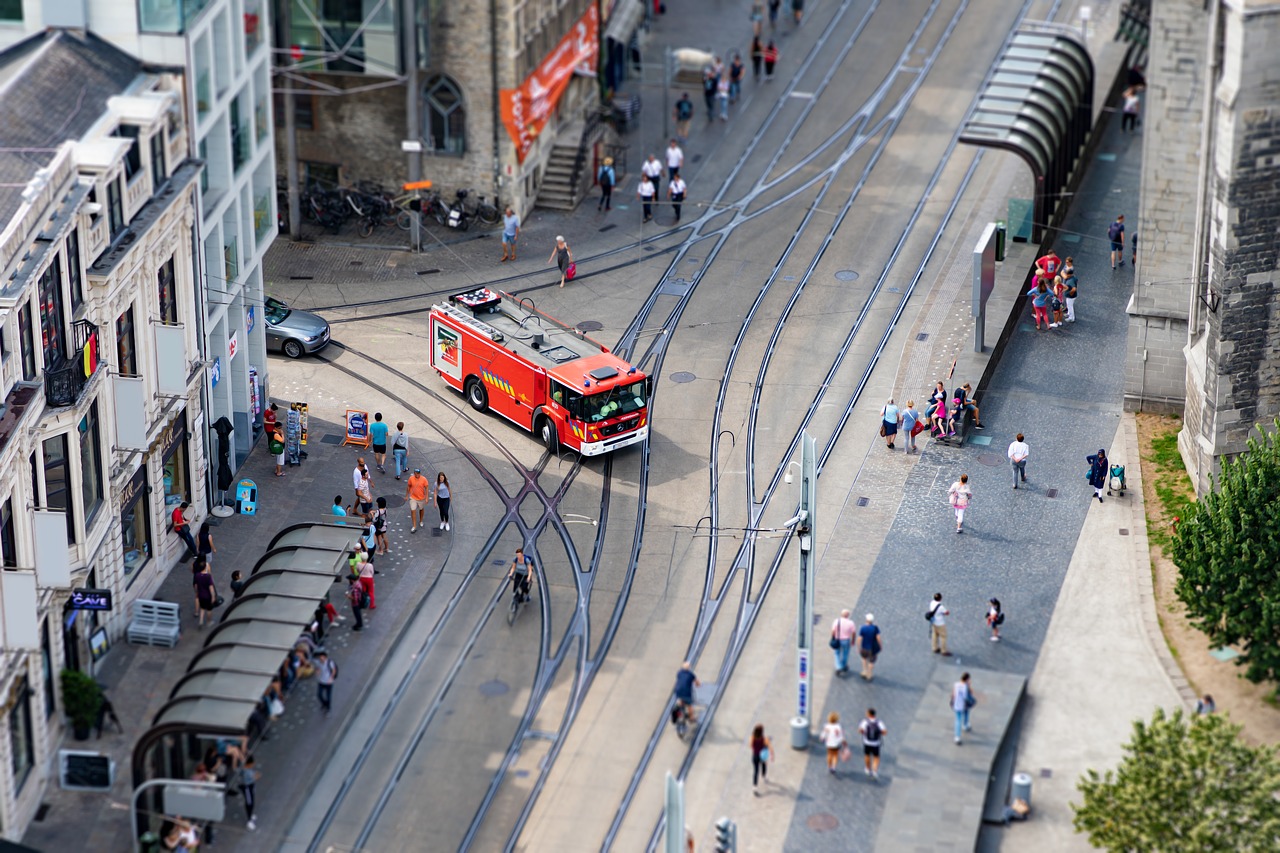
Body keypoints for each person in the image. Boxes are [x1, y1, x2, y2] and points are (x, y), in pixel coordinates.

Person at [858, 709, 886, 779]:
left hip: (867, 742)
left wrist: (864, 732)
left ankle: (867, 769)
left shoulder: (865, 721)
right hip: (876, 743)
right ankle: (874, 770)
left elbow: (860, 730)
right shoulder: (879, 722)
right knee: (876, 757)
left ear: (869, 714)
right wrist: (879, 733)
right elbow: (884, 732)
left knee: (867, 755)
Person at [830, 609, 856, 675]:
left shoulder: (836, 621)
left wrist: (833, 638)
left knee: (837, 654)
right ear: (848, 615)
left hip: (837, 640)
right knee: (845, 654)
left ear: (841, 614)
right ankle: (844, 665)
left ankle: (838, 667)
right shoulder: (851, 623)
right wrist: (853, 641)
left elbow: (833, 631)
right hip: (846, 640)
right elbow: (853, 633)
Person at [857, 614, 882, 681]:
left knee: (864, 658)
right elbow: (878, 638)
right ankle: (869, 674)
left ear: (866, 620)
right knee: (871, 661)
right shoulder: (875, 628)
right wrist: (880, 646)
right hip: (872, 648)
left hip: (864, 647)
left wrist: (858, 647)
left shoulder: (863, 628)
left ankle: (864, 671)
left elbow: (859, 638)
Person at [952, 672, 975, 744]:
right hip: (962, 704)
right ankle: (962, 729)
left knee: (958, 718)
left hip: (956, 704)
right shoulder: (965, 686)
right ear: (967, 679)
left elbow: (954, 694)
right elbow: (965, 697)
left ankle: (958, 735)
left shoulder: (956, 684)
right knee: (961, 717)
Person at [240, 755, 260, 831]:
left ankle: (251, 815)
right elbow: (255, 777)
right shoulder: (247, 772)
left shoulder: (247, 769)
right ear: (249, 764)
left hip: (250, 787)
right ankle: (249, 820)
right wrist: (257, 775)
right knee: (249, 803)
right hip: (247, 788)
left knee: (251, 802)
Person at [750, 724, 772, 794]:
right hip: (762, 755)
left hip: (755, 756)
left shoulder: (753, 737)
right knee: (764, 766)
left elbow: (750, 745)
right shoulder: (763, 738)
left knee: (756, 771)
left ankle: (754, 787)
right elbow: (767, 745)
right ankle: (764, 777)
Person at [406, 468, 429, 532]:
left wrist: (427, 497)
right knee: (413, 510)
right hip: (413, 497)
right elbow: (408, 486)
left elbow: (427, 488)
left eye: (418, 473)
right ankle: (414, 526)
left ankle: (421, 520)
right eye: (416, 473)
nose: (417, 474)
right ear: (414, 473)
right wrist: (406, 495)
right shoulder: (411, 478)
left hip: (421, 498)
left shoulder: (424, 479)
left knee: (421, 509)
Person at [194, 561, 217, 628]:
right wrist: (213, 597)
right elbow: (211, 588)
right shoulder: (208, 576)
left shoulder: (197, 575)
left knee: (202, 608)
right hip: (208, 596)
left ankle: (200, 621)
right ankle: (209, 622)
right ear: (205, 567)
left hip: (200, 595)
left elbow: (196, 586)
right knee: (209, 609)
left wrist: (197, 592)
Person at [1062, 258, 1078, 323]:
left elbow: (1074, 289)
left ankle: (1072, 318)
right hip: (1071, 296)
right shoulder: (1073, 277)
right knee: (1069, 305)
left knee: (1070, 306)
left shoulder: (1070, 281)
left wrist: (1070, 293)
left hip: (1071, 296)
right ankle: (1069, 314)